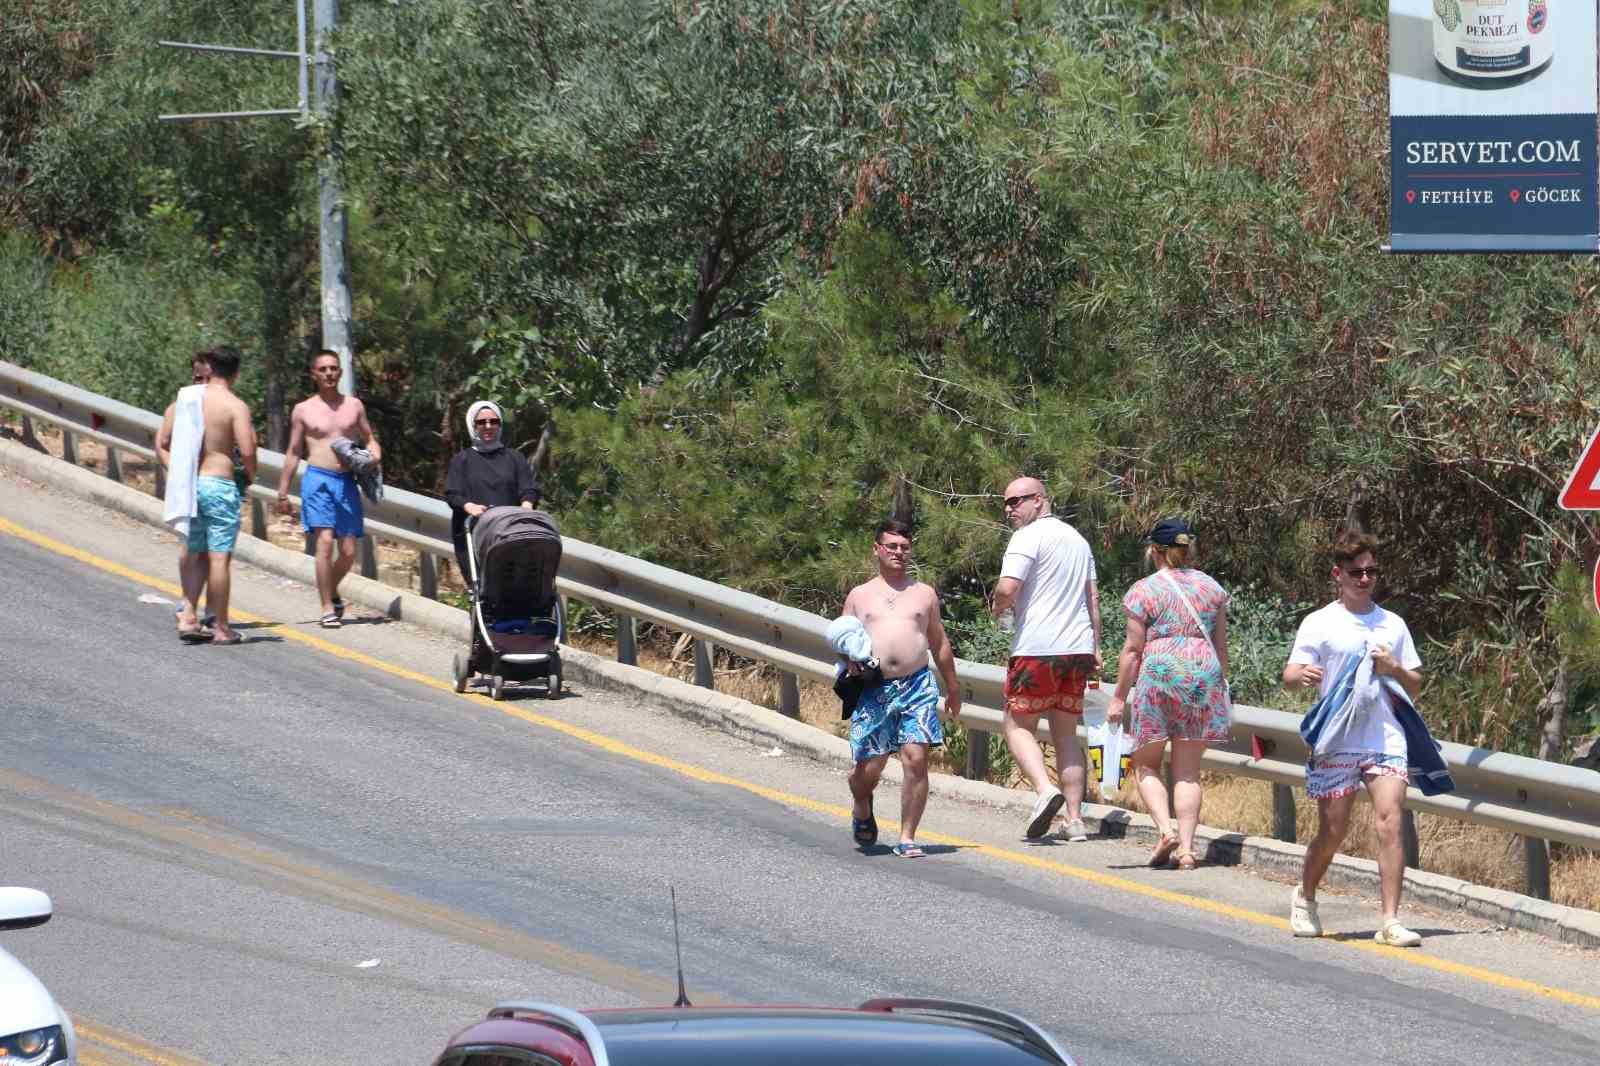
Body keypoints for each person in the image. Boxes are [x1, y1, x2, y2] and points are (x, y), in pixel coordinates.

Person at [1282, 531, 1425, 948]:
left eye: (1371, 571)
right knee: (1333, 829)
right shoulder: (1320, 622)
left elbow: (1414, 684)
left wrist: (1395, 667)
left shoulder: (1393, 624)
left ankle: (1391, 920)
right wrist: (1302, 675)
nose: (1365, 579)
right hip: (1338, 736)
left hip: (1385, 734)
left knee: (1390, 819)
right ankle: (1306, 896)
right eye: (1356, 572)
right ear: (1338, 575)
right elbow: (1291, 675)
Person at [1106, 518, 1230, 870]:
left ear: (1154, 551)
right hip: (1203, 674)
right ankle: (1188, 850)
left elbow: (1132, 650)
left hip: (1160, 670)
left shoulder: (1143, 591)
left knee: (1145, 762)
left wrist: (1118, 697)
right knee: (1188, 772)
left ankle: (1165, 830)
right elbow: (1221, 648)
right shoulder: (1212, 589)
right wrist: (1218, 686)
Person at [991, 476, 1102, 841]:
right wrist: (1096, 647)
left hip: (1038, 647)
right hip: (1077, 649)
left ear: (1039, 500)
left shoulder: (1027, 536)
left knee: (1016, 724)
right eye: (1006, 503)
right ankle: (1074, 821)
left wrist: (998, 606)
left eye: (1016, 501)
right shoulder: (1079, 541)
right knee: (1066, 735)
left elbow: (1008, 588)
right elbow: (1092, 600)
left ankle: (1043, 790)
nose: (1009, 510)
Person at [841, 519, 961, 858]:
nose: (898, 552)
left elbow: (939, 642)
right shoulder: (859, 595)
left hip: (917, 685)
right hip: (873, 688)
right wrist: (848, 659)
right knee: (869, 769)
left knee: (916, 759)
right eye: (891, 546)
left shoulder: (923, 594)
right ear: (877, 548)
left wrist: (952, 686)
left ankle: (908, 836)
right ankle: (861, 803)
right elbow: (843, 639)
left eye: (904, 547)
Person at [276, 349, 382, 629]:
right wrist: (283, 492)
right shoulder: (303, 409)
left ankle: (330, 590)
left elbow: (370, 438)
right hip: (317, 480)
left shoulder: (354, 406)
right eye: (323, 369)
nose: (329, 374)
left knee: (348, 550)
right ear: (314, 374)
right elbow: (293, 451)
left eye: (333, 368)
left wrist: (375, 455)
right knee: (324, 542)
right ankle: (326, 607)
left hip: (346, 482)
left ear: (340, 372)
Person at [161, 346, 256, 645]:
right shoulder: (235, 406)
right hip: (219, 483)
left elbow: (165, 442)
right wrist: (250, 474)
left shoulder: (187, 398)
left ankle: (188, 614)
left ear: (210, 369)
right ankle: (222, 627)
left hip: (192, 485)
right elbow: (249, 450)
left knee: (196, 553)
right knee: (218, 558)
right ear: (236, 373)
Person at [443, 400, 541, 580]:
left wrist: (526, 505)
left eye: (493, 421)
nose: (488, 426)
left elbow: (528, 488)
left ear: (500, 425)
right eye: (481, 422)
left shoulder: (514, 458)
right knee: (484, 590)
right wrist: (469, 506)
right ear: (473, 426)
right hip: (475, 532)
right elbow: (452, 493)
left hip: (511, 532)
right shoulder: (462, 460)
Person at [156, 351, 215, 640]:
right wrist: (179, 472)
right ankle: (187, 602)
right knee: (190, 547)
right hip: (187, 489)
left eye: (208, 378)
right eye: (197, 377)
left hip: (213, 486)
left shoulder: (223, 409)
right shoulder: (177, 408)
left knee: (209, 550)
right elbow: (162, 445)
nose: (202, 383)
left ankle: (206, 608)